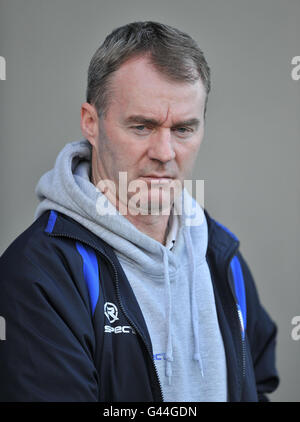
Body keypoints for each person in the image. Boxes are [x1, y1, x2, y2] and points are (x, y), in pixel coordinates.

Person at [0, 21, 279, 402]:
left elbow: (257, 385)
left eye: (183, 129)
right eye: (142, 126)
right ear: (91, 123)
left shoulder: (221, 256)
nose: (165, 153)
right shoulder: (38, 275)